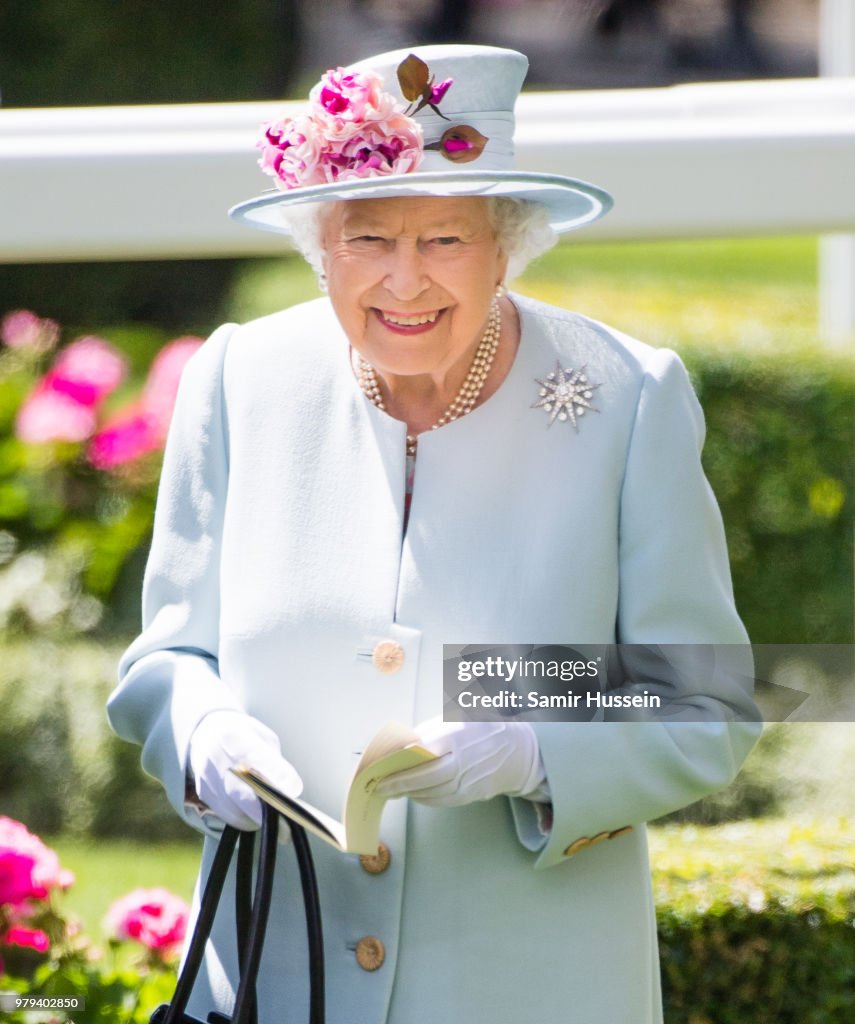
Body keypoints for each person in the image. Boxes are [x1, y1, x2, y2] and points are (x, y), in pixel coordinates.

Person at [107, 43, 759, 1024]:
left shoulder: (627, 396)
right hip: (276, 980)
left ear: (509, 244)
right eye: (369, 237)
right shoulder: (242, 377)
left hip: (529, 988)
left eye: (445, 240)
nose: (404, 283)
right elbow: (170, 655)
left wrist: (536, 750)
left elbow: (705, 695)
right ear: (321, 242)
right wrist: (200, 731)